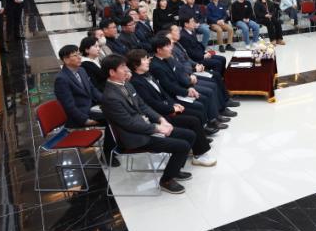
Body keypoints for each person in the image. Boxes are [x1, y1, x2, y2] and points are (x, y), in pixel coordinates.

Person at [101, 54, 195, 194]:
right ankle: (166, 181)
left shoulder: (126, 83)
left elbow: (143, 106)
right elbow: (129, 124)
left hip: (145, 125)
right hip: (134, 137)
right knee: (182, 146)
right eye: (123, 67)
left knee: (190, 135)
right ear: (112, 72)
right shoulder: (110, 97)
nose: (127, 69)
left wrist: (161, 119)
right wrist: (157, 128)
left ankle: (174, 170)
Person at [126, 50, 216, 167]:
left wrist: (174, 104)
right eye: (144, 59)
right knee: (193, 120)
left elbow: (163, 93)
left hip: (166, 107)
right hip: (158, 115)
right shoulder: (136, 82)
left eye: (147, 58)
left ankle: (195, 145)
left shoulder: (148, 74)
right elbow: (151, 104)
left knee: (196, 114)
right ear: (135, 64)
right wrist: (171, 109)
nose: (148, 61)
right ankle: (199, 155)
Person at [53, 45, 118, 166]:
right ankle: (108, 154)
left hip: (90, 108)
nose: (79, 57)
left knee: (118, 111)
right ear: (66, 60)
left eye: (79, 54)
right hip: (79, 115)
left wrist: (107, 101)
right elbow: (68, 106)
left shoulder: (81, 70)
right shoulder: (62, 79)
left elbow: (93, 90)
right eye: (75, 55)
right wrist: (84, 120)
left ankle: (116, 146)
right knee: (113, 118)